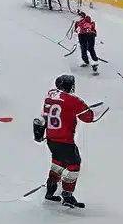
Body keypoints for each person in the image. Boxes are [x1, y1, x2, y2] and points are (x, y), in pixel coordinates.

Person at [36, 74, 96, 209]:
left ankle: (50, 190)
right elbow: (88, 117)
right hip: (65, 140)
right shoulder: (72, 100)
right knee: (74, 165)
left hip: (51, 138)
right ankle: (67, 195)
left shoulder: (50, 95)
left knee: (58, 162)